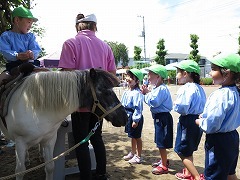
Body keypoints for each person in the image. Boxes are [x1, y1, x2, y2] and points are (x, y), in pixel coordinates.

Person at [58, 13, 116, 180]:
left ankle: (85, 177)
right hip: (99, 105)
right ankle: (101, 173)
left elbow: (67, 75)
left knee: (81, 143)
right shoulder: (106, 47)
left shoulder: (70, 43)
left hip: (80, 103)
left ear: (78, 26)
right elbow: (112, 77)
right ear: (94, 26)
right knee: (97, 138)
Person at [196, 53, 240, 180]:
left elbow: (212, 124)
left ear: (227, 73)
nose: (210, 73)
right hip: (232, 137)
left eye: (214, 69)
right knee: (229, 173)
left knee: (214, 176)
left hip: (218, 141)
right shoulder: (236, 92)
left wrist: (201, 121)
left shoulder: (220, 95)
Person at [173, 60, 206, 180]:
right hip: (198, 119)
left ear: (185, 73)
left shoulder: (186, 88)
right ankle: (187, 173)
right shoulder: (199, 88)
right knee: (189, 149)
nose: (177, 75)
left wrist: (175, 105)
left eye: (178, 72)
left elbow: (182, 107)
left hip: (187, 121)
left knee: (181, 151)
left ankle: (196, 176)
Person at [141, 64, 173, 175]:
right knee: (160, 140)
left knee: (161, 142)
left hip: (163, 118)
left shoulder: (161, 89)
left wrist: (146, 94)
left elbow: (154, 102)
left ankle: (164, 166)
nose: (148, 77)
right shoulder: (157, 89)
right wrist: (148, 94)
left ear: (158, 76)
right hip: (160, 117)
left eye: (150, 74)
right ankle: (163, 160)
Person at [0, 6, 41, 84]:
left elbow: (36, 49)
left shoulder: (30, 36)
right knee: (3, 77)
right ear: (17, 20)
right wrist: (17, 55)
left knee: (47, 74)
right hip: (13, 66)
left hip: (31, 64)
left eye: (32, 23)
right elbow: (5, 51)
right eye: (29, 22)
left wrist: (32, 54)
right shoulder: (6, 36)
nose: (30, 26)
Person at [121, 69, 144, 164]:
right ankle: (133, 152)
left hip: (134, 116)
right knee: (132, 136)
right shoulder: (127, 91)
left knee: (137, 136)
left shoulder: (137, 93)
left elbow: (138, 108)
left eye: (131, 77)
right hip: (128, 116)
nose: (128, 79)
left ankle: (138, 156)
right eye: (128, 76)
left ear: (137, 81)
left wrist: (136, 120)